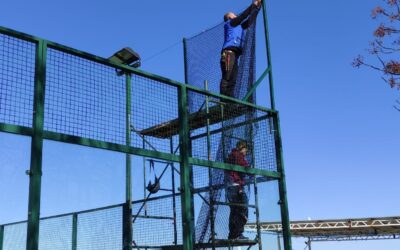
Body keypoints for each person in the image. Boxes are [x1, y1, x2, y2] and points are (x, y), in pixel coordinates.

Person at [220, 0, 262, 98]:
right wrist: (253, 5)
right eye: (233, 14)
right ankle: (223, 99)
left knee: (233, 78)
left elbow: (249, 21)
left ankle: (230, 100)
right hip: (228, 53)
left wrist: (257, 9)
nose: (235, 15)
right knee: (227, 76)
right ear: (229, 17)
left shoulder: (239, 26)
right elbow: (243, 16)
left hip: (235, 55)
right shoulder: (230, 23)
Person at [225, 141, 251, 240]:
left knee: (234, 210)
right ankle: (237, 234)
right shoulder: (238, 155)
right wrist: (250, 171)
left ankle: (233, 234)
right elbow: (245, 167)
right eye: (245, 150)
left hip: (232, 186)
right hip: (235, 186)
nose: (246, 153)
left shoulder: (232, 155)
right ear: (242, 148)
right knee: (241, 209)